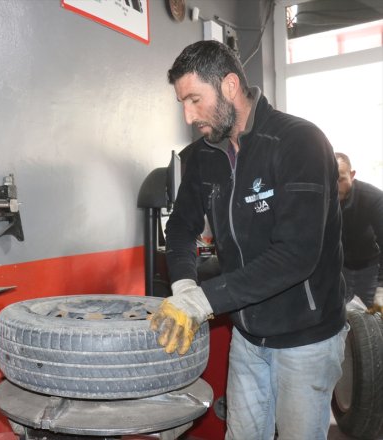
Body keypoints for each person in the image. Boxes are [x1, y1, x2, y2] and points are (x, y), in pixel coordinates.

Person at [149, 40, 348, 440]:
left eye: (194, 99)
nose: (188, 116)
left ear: (229, 86)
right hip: (248, 336)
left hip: (305, 337)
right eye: (181, 103)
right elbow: (182, 227)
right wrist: (185, 284)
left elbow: (296, 255)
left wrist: (204, 301)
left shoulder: (299, 143)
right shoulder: (202, 156)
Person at [335, 152, 383, 313]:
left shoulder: (373, 198)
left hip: (369, 268)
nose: (335, 186)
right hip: (340, 267)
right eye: (330, 179)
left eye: (341, 179)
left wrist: (381, 287)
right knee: (343, 315)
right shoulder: (323, 198)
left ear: (352, 175)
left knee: (371, 314)